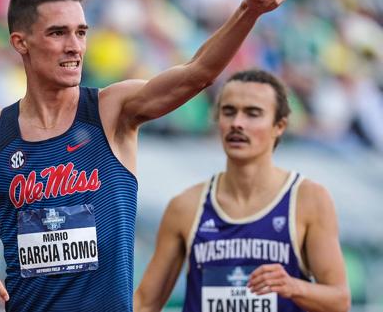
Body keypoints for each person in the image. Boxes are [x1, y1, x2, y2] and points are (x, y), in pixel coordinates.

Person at [0, 0, 288, 312]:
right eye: (58, 33)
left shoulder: (113, 110)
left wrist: (248, 11)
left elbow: (198, 73)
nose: (75, 46)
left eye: (81, 32)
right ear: (20, 43)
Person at [134, 69, 351, 312]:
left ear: (279, 125)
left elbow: (339, 301)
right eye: (229, 112)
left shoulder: (308, 199)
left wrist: (294, 287)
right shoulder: (186, 206)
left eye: (252, 113)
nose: (237, 123)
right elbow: (145, 302)